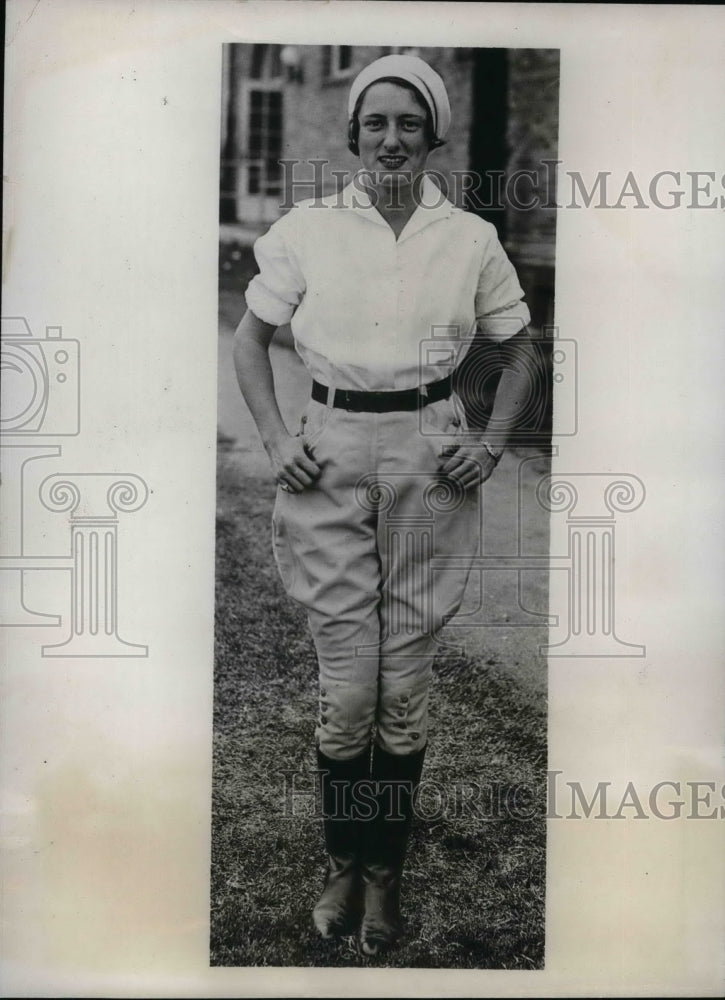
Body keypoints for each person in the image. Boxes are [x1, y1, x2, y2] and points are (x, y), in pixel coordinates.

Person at [233, 53, 537, 957]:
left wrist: (488, 442)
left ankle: (383, 877)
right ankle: (340, 860)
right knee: (349, 691)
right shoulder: (309, 228)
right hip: (328, 454)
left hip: (429, 457)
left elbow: (518, 352)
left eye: (410, 124)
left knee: (403, 694)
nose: (391, 140)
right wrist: (279, 440)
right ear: (355, 133)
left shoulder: (468, 238)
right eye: (375, 123)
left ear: (433, 136)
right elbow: (252, 343)